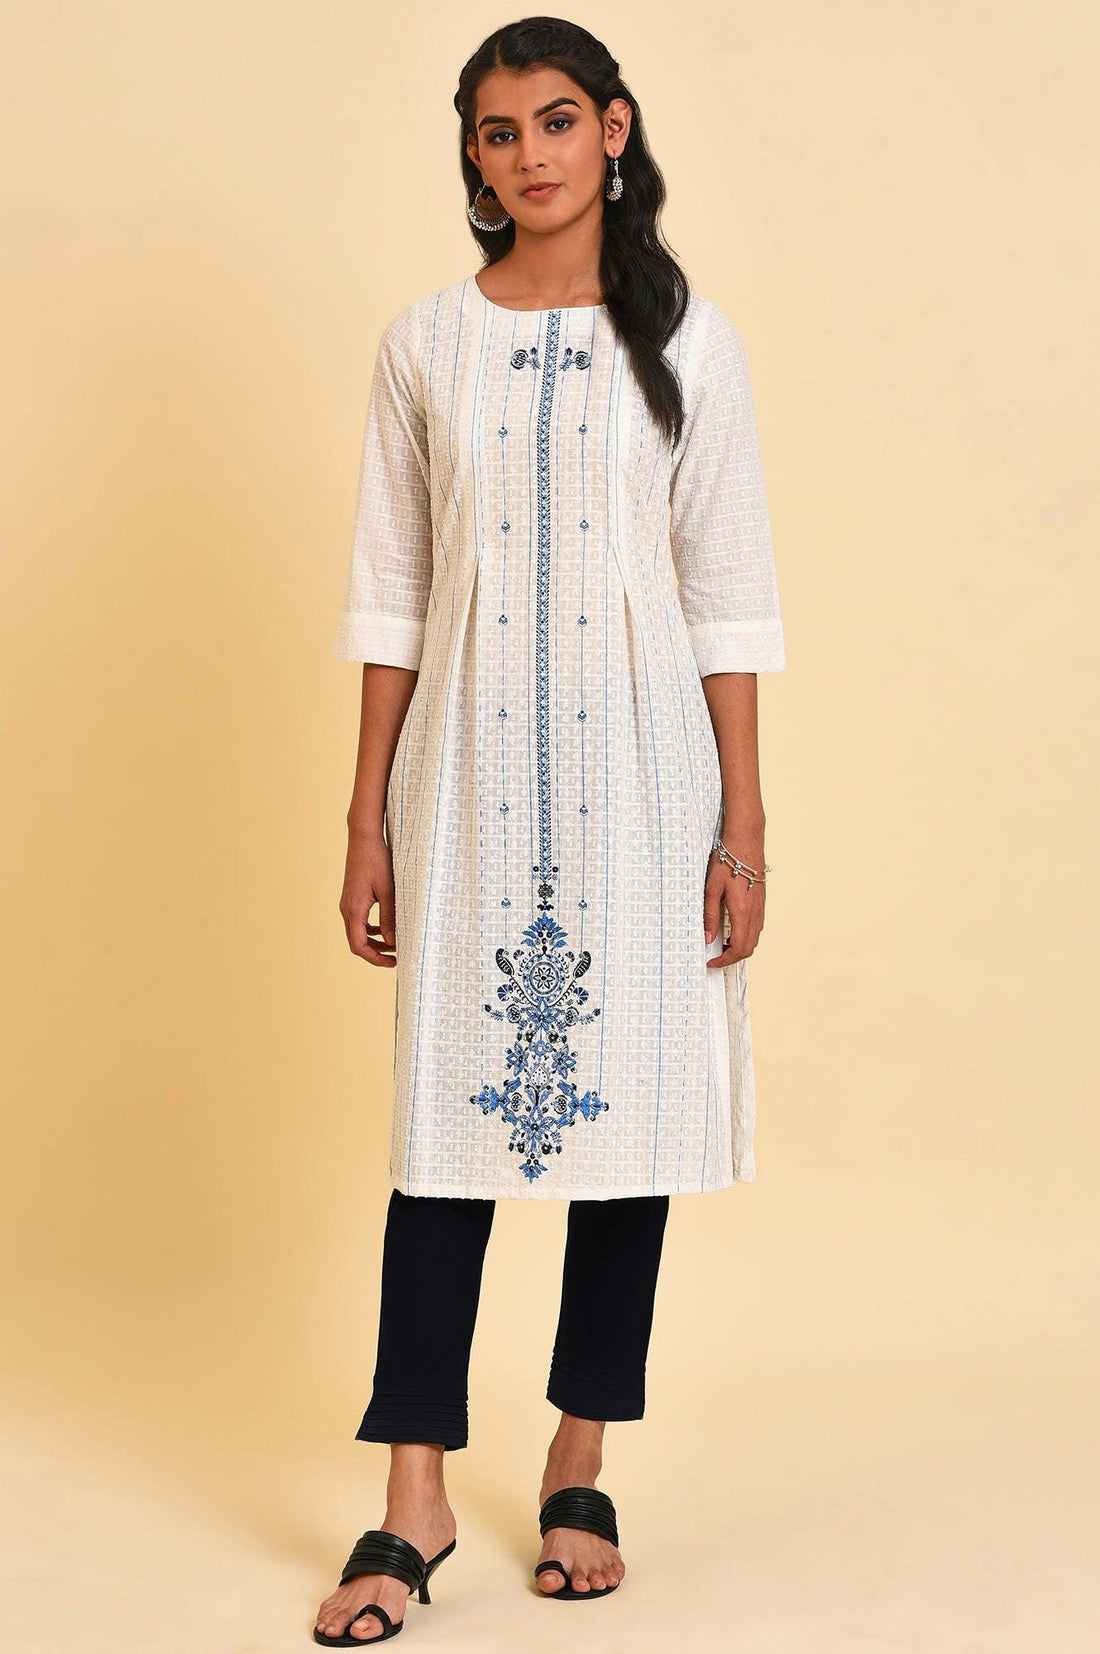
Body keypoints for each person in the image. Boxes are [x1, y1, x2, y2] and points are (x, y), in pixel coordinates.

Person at [315, 15, 786, 1646]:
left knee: (629, 1126)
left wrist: (743, 823)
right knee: (440, 1137)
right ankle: (414, 1495)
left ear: (616, 131)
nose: (530, 154)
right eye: (499, 131)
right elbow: (392, 593)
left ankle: (579, 1457)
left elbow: (728, 596)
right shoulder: (424, 346)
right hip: (463, 776)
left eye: (558, 120)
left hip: (647, 775)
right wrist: (366, 815)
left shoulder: (692, 344)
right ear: (472, 155)